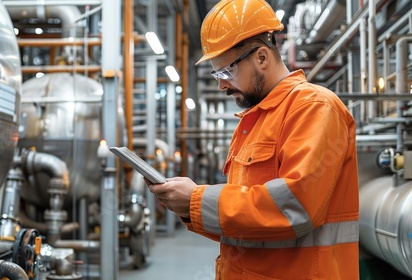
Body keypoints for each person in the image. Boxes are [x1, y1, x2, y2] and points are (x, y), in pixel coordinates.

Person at [146, 0, 360, 279]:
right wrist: (190, 209)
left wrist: (196, 200)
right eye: (216, 74)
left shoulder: (314, 107)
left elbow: (295, 206)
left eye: (226, 72)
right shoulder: (254, 121)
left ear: (261, 58)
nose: (221, 84)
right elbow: (248, 224)